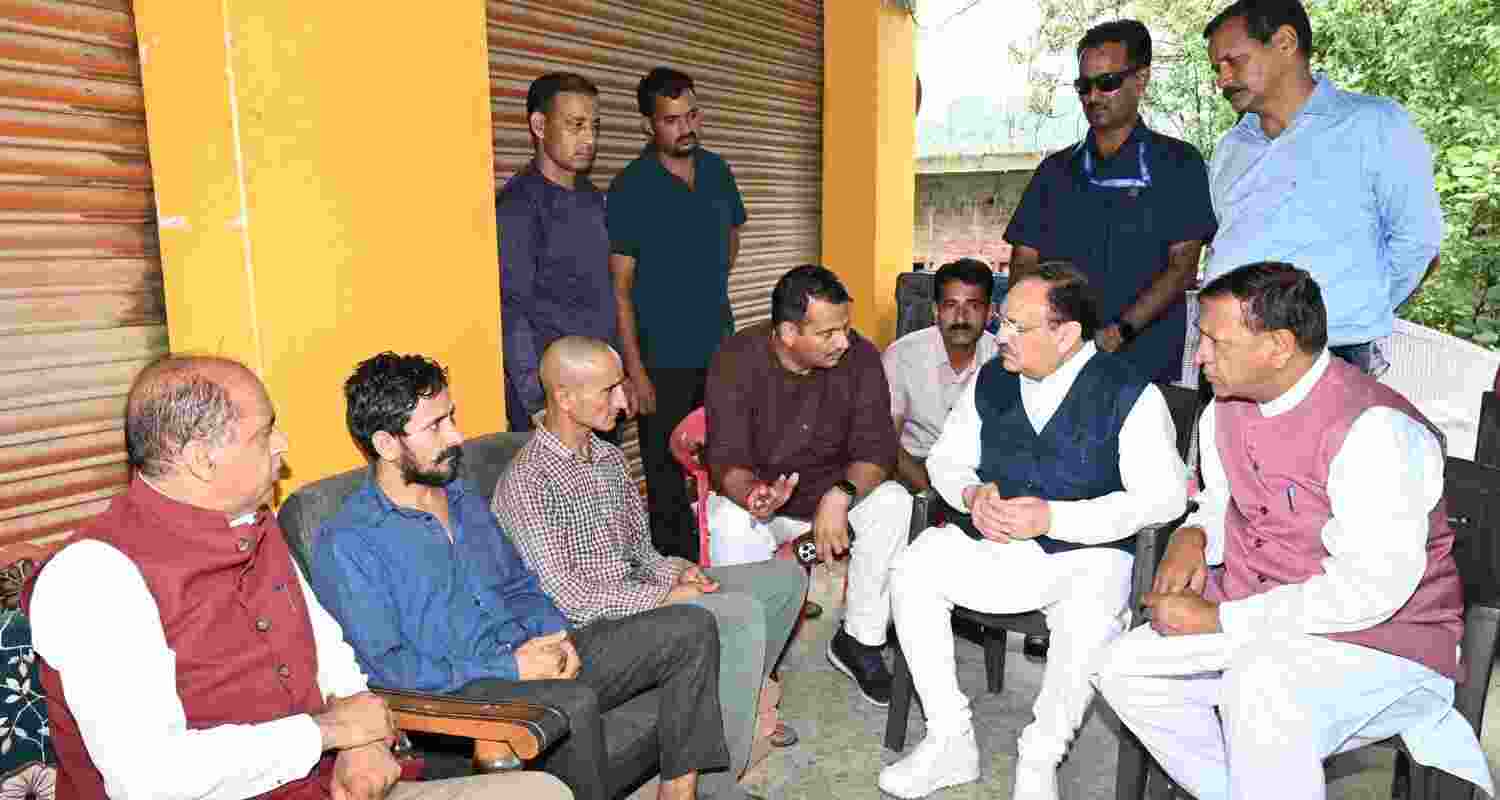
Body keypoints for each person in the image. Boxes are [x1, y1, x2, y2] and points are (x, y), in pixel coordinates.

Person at [25, 355, 571, 800]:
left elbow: (331, 653)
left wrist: (363, 741)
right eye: (265, 434)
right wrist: (329, 733)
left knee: (542, 792)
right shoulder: (95, 577)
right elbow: (149, 779)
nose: (283, 445)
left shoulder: (254, 525)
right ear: (201, 460)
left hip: (326, 783)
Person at [1093, 262, 1493, 800]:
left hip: (1382, 639)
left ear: (1278, 345)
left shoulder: (1377, 433)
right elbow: (1222, 497)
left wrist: (1219, 619)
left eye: (1214, 340)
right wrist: (1195, 535)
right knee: (1122, 668)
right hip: (1266, 615)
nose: (1199, 356)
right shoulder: (1224, 409)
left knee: (1261, 689)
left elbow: (1369, 590)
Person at [314, 353, 734, 800]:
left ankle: (678, 793)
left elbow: (517, 585)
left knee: (690, 627)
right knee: (574, 703)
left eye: (451, 417)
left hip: (529, 654)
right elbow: (388, 669)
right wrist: (512, 667)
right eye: (436, 426)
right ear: (385, 444)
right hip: (463, 692)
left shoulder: (458, 494)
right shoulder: (349, 542)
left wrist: (555, 636)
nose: (457, 435)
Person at [878, 264, 1186, 800]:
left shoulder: (1130, 394)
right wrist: (972, 495)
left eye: (1019, 327)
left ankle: (1041, 755)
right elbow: (948, 458)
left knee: (1093, 605)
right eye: (1004, 321)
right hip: (994, 542)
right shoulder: (992, 377)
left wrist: (1056, 518)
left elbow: (1163, 497)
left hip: (1085, 554)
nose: (1001, 336)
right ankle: (951, 738)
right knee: (912, 567)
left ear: (1067, 335)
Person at [495, 336, 808, 790]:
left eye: (621, 386)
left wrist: (680, 572)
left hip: (637, 594)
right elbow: (569, 598)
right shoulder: (529, 480)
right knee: (736, 615)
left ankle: (729, 700)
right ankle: (720, 781)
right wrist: (664, 595)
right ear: (564, 397)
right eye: (608, 390)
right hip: (588, 626)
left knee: (782, 580)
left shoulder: (606, 456)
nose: (624, 401)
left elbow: (642, 553)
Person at [703, 264, 913, 707]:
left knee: (894, 502)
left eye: (845, 329)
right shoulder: (736, 358)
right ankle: (752, 655)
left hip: (834, 499)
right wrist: (751, 494)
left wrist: (842, 495)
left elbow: (878, 449)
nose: (842, 341)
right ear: (787, 333)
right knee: (728, 519)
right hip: (770, 505)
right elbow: (725, 458)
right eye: (827, 334)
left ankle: (861, 640)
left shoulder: (860, 358)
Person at [1202, 0, 1442, 377]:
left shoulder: (1373, 125)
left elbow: (1417, 244)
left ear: (1285, 42)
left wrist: (1346, 320)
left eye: (1234, 61)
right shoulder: (1231, 148)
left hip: (1328, 358)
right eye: (1217, 68)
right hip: (1228, 357)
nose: (1222, 79)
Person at [1005, 20, 1217, 385]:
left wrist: (1118, 332)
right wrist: (1036, 331)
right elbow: (1024, 261)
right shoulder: (1054, 172)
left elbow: (1182, 267)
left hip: (1144, 364)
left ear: (1141, 79)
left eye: (1107, 83)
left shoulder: (1178, 163)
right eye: (1084, 86)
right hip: (1056, 364)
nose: (1093, 97)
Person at [608, 66, 748, 563]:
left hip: (718, 349)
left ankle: (730, 559)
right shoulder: (630, 188)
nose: (685, 128)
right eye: (671, 120)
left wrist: (699, 287)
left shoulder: (718, 172)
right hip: (660, 361)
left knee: (727, 458)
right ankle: (679, 576)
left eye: (692, 115)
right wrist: (635, 372)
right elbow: (620, 289)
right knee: (666, 478)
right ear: (649, 125)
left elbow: (730, 242)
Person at [498, 72, 617, 433]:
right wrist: (537, 403)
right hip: (555, 405)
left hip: (600, 392)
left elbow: (607, 295)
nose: (589, 139)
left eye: (594, 126)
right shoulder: (518, 207)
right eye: (576, 125)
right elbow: (512, 311)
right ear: (538, 124)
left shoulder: (596, 200)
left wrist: (619, 376)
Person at [882, 258, 999, 494]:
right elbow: (886, 441)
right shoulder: (901, 355)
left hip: (981, 471)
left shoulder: (1003, 357)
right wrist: (932, 492)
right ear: (935, 310)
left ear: (990, 313)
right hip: (913, 468)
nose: (961, 317)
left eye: (973, 306)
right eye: (950, 305)